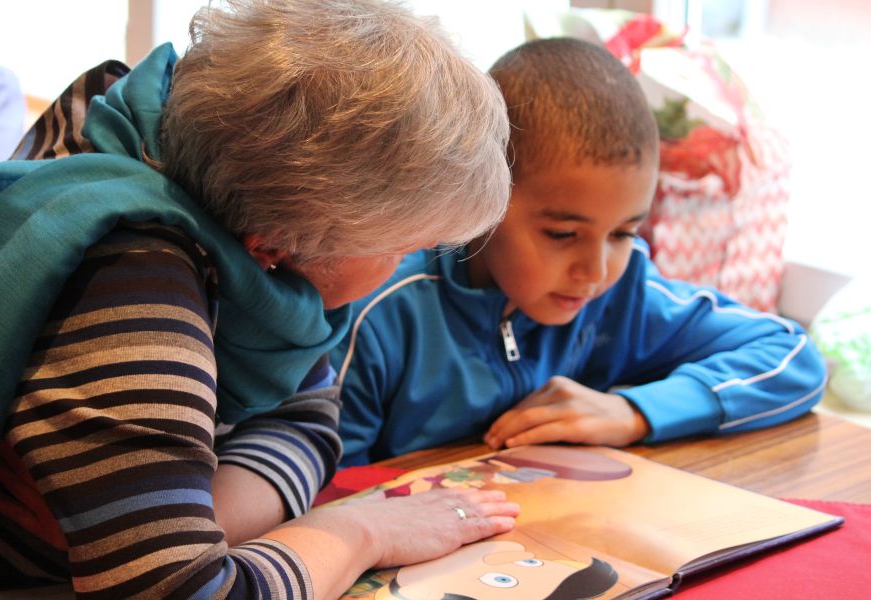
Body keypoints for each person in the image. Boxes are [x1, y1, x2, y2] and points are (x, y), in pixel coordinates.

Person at [0, 1, 520, 598]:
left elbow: (306, 413)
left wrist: (187, 517)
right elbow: (185, 593)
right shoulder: (129, 277)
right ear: (272, 248)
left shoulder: (182, 153)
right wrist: (362, 531)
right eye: (402, 248)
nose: (404, 267)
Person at [332, 37, 828, 467]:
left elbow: (792, 357)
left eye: (622, 234)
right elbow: (324, 491)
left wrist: (633, 412)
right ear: (478, 197)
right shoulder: (378, 311)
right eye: (563, 234)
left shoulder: (624, 292)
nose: (594, 271)